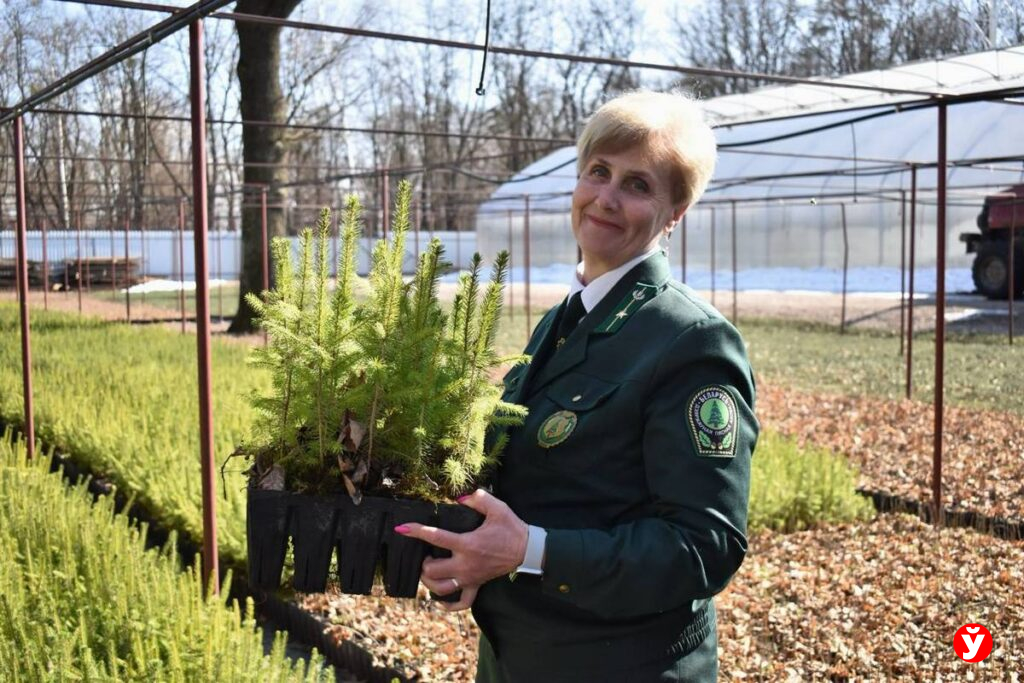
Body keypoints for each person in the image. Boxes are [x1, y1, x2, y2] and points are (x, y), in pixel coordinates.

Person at [395, 90, 759, 682]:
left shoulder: (690, 342)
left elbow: (703, 546)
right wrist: (466, 555)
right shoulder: (565, 321)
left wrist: (529, 551)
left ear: (675, 213)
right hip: (519, 656)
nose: (607, 197)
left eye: (638, 185)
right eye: (598, 171)